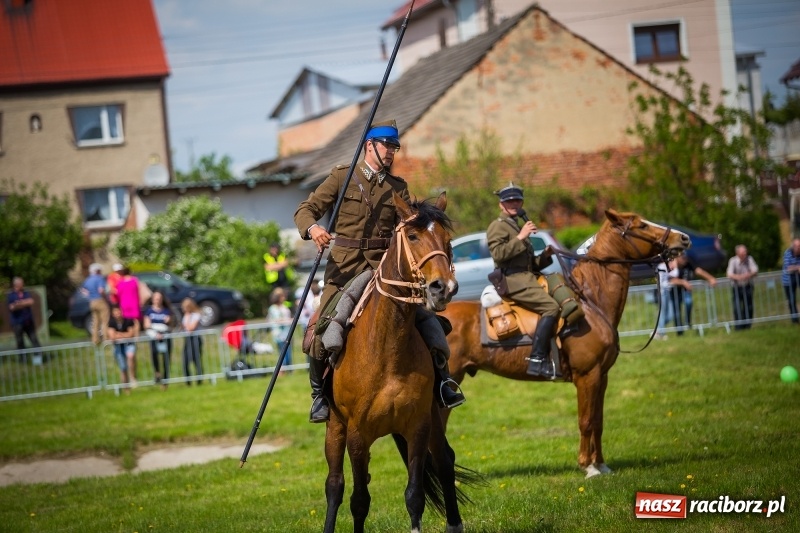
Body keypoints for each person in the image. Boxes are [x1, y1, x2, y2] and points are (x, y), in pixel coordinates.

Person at [294, 118, 465, 422]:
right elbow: (305, 210)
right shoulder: (342, 177)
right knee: (321, 328)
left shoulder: (398, 187)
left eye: (395, 147)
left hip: (386, 269)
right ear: (369, 145)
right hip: (346, 268)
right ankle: (319, 395)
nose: (391, 152)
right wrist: (313, 228)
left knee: (428, 323)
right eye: (387, 145)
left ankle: (443, 384)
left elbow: (414, 221)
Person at [486, 183, 561, 377]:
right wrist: (521, 237)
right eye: (509, 201)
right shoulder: (498, 226)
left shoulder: (515, 225)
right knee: (551, 308)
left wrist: (545, 255)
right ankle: (537, 360)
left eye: (517, 200)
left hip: (526, 277)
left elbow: (529, 265)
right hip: (512, 281)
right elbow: (498, 255)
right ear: (501, 204)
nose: (514, 204)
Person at [669, 254, 717, 334]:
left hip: (685, 290)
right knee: (676, 312)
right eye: (682, 258)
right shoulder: (672, 264)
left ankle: (687, 322)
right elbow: (671, 280)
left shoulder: (688, 262)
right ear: (677, 258)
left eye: (685, 257)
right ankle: (679, 331)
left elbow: (698, 271)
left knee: (688, 303)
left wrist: (710, 278)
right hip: (674, 291)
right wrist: (683, 282)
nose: (684, 259)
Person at [143, 290, 174, 390]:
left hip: (165, 337)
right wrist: (156, 330)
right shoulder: (149, 311)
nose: (157, 300)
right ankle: (157, 374)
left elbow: (170, 324)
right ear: (152, 299)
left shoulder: (166, 310)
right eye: (155, 298)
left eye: (159, 298)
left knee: (166, 359)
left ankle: (165, 382)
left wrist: (168, 322)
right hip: (154, 337)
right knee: (154, 356)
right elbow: (146, 325)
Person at [7, 276, 42, 358]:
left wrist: (19, 303)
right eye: (21, 283)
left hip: (28, 321)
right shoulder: (11, 295)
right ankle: (23, 360)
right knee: (20, 341)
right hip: (17, 322)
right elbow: (11, 307)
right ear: (16, 284)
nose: (23, 285)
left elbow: (31, 301)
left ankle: (38, 358)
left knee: (34, 339)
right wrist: (23, 303)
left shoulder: (26, 293)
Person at [726, 244, 758, 330]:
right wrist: (740, 277)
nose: (745, 254)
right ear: (738, 253)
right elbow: (729, 274)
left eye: (745, 252)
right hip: (737, 287)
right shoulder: (733, 261)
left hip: (747, 286)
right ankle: (739, 326)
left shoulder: (749, 259)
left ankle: (747, 326)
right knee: (737, 307)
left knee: (749, 306)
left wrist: (749, 274)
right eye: (743, 252)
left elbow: (755, 270)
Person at [107, 305, 137, 393]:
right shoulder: (111, 323)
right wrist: (124, 335)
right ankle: (126, 388)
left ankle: (132, 378)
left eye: (118, 311)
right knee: (123, 367)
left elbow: (131, 334)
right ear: (112, 313)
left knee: (130, 356)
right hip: (118, 347)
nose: (117, 314)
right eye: (115, 312)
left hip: (128, 345)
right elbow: (112, 337)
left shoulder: (128, 320)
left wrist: (119, 335)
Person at [81, 263, 109, 345]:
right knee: (104, 320)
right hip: (100, 300)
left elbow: (84, 291)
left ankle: (95, 339)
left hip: (92, 301)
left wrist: (89, 296)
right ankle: (105, 338)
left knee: (95, 321)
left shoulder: (88, 279)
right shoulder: (99, 278)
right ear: (97, 271)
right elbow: (101, 290)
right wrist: (105, 298)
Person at [267, 287, 294, 370]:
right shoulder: (273, 308)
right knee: (282, 352)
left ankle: (289, 368)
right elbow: (275, 319)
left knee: (288, 352)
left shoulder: (284, 306)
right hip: (279, 333)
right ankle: (283, 368)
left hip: (287, 332)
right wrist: (287, 320)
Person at [181, 297, 204, 385]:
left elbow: (191, 328)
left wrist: (187, 317)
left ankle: (199, 380)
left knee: (196, 360)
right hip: (187, 339)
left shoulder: (196, 315)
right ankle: (188, 381)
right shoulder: (185, 316)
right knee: (185, 360)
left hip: (195, 339)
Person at [115, 267, 143, 336]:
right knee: (136, 321)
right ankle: (137, 336)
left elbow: (118, 293)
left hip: (124, 303)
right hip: (134, 303)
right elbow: (139, 290)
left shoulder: (120, 282)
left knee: (127, 321)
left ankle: (129, 336)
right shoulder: (134, 280)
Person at [655, 259, 677, 340]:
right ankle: (662, 333)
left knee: (671, 315)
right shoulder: (661, 266)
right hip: (662, 292)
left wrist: (675, 266)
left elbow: (675, 274)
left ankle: (657, 330)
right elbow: (660, 281)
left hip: (668, 292)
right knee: (662, 313)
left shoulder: (670, 266)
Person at [782, 238, 800, 324]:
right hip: (788, 280)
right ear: (793, 246)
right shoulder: (787, 253)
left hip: (798, 277)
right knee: (791, 300)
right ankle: (795, 320)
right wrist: (798, 268)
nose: (798, 248)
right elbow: (788, 268)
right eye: (797, 246)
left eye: (799, 246)